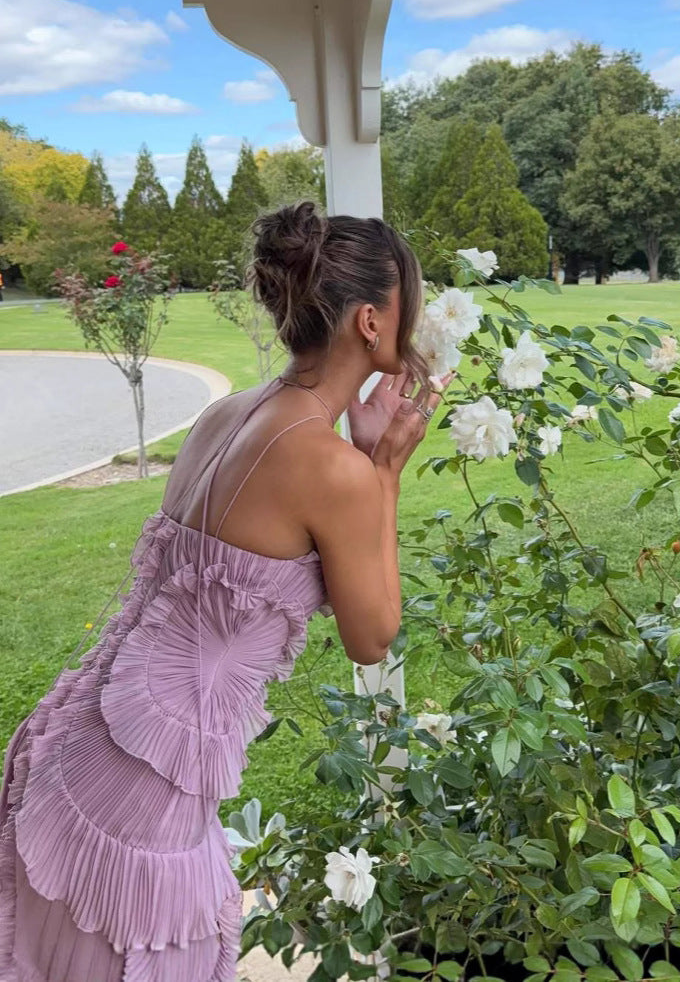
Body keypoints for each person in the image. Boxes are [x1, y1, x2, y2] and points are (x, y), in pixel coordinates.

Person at [0, 201, 448, 981]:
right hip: (146, 786)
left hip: (90, 738)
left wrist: (362, 466)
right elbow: (372, 637)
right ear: (372, 322)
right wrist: (383, 471)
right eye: (410, 295)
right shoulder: (330, 465)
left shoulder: (225, 413)